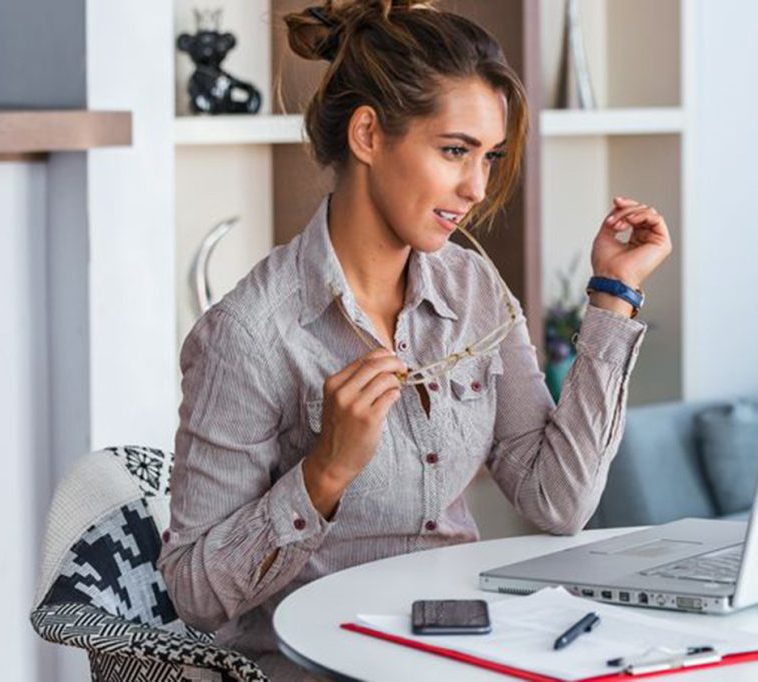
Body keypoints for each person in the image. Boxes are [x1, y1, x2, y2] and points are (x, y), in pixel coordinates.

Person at [158, 0, 672, 678]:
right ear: (369, 135)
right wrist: (323, 476)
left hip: (459, 654)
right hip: (318, 666)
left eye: (488, 157)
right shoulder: (251, 333)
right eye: (455, 151)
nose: (476, 187)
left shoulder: (474, 292)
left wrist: (614, 297)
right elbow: (192, 592)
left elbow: (558, 500)